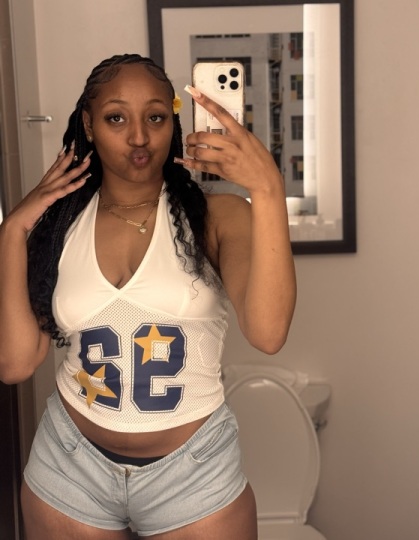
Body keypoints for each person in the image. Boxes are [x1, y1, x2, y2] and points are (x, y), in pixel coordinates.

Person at [0, 53, 296, 540]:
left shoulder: (218, 217)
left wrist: (267, 187)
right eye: (116, 118)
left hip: (195, 470)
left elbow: (268, 334)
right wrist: (13, 230)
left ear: (173, 122)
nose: (139, 137)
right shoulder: (58, 227)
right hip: (69, 463)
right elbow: (15, 364)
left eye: (155, 117)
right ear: (89, 125)